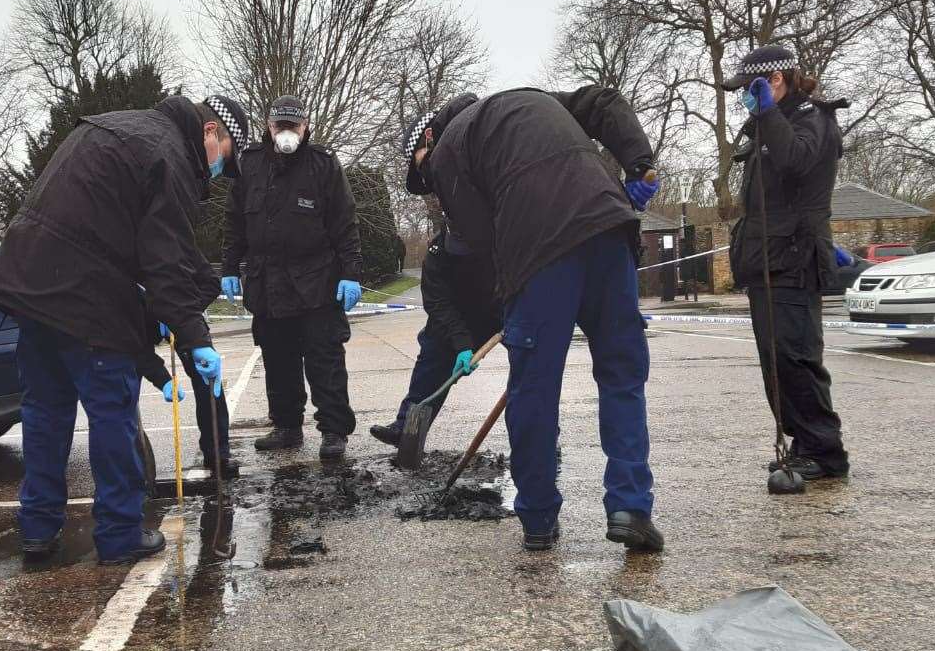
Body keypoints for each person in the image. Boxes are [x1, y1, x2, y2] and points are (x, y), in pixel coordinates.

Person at [0, 93, 249, 564]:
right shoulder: (171, 157)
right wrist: (196, 338)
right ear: (211, 133)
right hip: (86, 295)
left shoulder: (116, 124)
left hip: (30, 284)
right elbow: (164, 262)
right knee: (112, 412)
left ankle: (38, 530)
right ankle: (120, 533)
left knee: (44, 412)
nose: (218, 173)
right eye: (224, 159)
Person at [415, 86, 664, 553]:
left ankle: (538, 517)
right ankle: (631, 508)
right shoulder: (534, 98)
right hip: (610, 231)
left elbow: (477, 245)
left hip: (540, 256)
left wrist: (510, 311)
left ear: (432, 134)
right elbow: (605, 104)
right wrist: (638, 162)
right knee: (622, 378)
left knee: (534, 388)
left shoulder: (448, 150)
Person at [726, 44, 851, 481]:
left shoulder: (813, 119)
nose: (742, 95)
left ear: (774, 80)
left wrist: (766, 114)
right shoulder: (772, 124)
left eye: (748, 87)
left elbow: (796, 163)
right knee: (774, 358)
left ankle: (825, 451)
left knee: (795, 356)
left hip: (794, 257)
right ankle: (803, 440)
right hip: (770, 258)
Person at [221, 95, 362, 461]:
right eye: (279, 126)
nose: (286, 133)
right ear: (269, 126)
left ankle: (333, 431)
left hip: (316, 282)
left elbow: (345, 224)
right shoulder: (248, 165)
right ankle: (286, 426)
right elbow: (234, 223)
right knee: (278, 359)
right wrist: (228, 268)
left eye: (293, 126)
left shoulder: (323, 166)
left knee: (324, 359)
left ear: (306, 126)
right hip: (267, 284)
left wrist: (350, 273)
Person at [369, 94, 504, 448]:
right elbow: (439, 303)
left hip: (510, 300)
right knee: (433, 349)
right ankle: (408, 428)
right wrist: (461, 343)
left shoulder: (486, 175)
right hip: (463, 313)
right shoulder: (441, 249)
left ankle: (542, 439)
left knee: (532, 364)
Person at [133, 302, 238, 480]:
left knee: (208, 382)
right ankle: (135, 470)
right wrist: (163, 379)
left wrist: (185, 313)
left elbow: (208, 282)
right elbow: (138, 351)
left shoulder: (180, 280)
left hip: (184, 318)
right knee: (123, 393)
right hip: (133, 321)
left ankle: (217, 454)